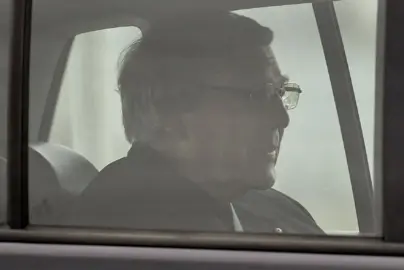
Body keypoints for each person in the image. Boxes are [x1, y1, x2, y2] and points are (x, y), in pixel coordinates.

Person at [64, 12, 324, 234]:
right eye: (255, 96)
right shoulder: (124, 229)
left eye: (279, 92)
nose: (282, 118)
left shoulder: (269, 206)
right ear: (170, 115)